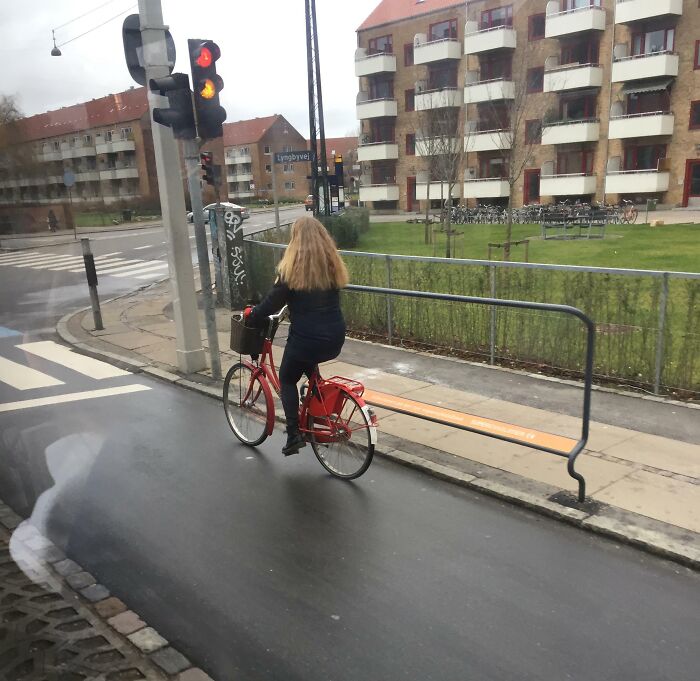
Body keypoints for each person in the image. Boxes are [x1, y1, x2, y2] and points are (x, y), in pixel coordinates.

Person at [244, 216, 349, 456]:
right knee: (308, 363)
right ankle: (314, 411)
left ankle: (293, 434)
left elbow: (271, 303)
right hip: (335, 337)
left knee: (288, 378)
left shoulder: (292, 271)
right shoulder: (331, 265)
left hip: (307, 339)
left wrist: (253, 314)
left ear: (295, 240)